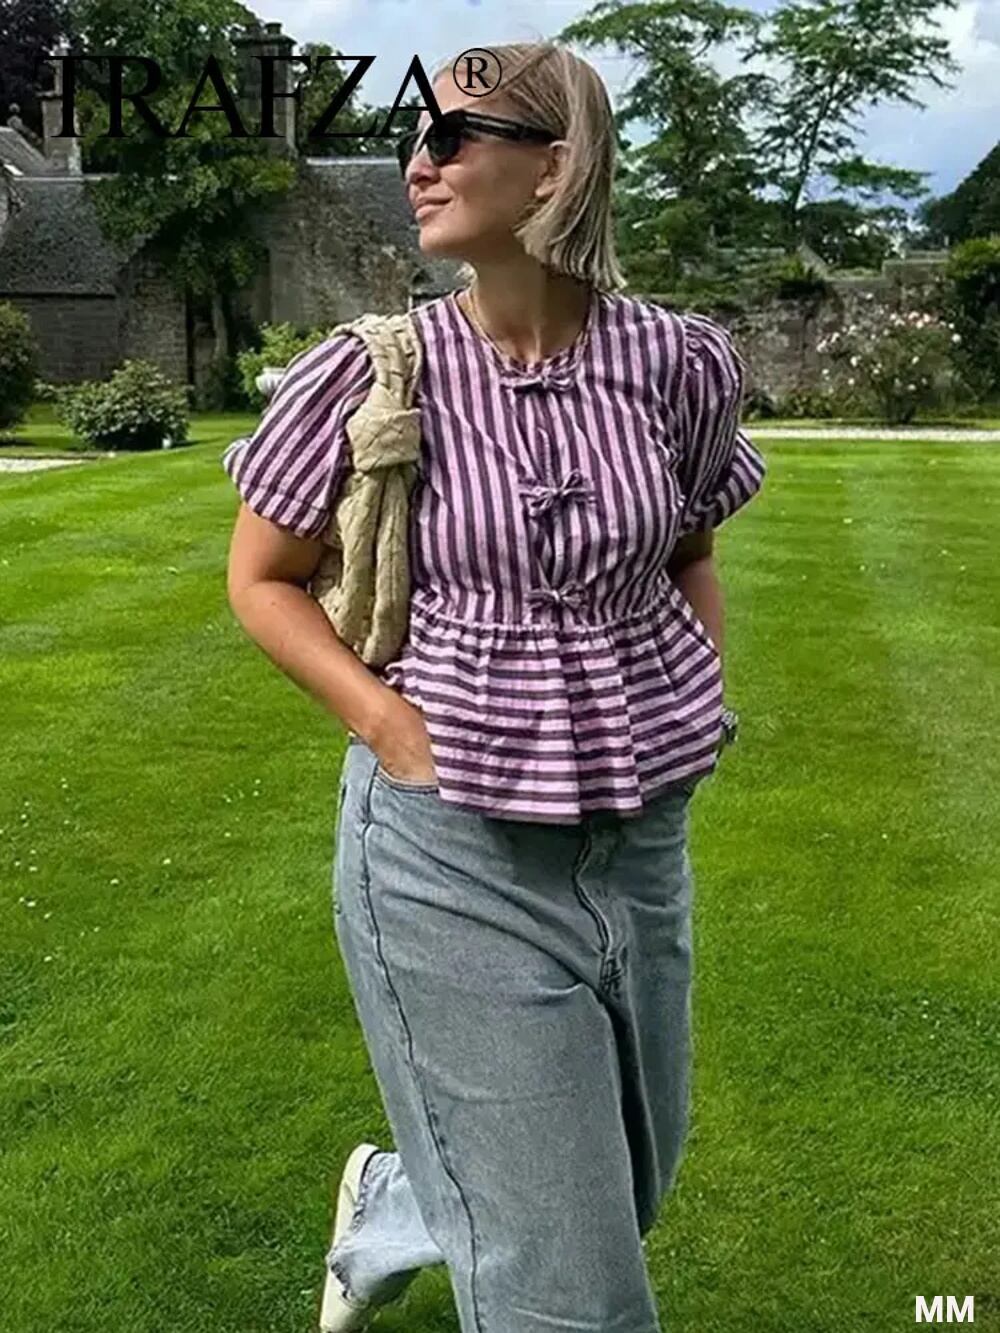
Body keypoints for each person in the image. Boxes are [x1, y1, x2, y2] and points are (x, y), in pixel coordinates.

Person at [222, 39, 766, 1333]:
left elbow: (690, 548)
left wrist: (693, 697)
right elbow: (261, 579)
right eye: (420, 137)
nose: (420, 163)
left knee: (621, 1185)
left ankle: (397, 1196)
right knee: (568, 1281)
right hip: (449, 849)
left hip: (640, 844)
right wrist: (390, 727)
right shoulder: (366, 374)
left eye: (455, 136)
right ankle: (445, 1202)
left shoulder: (679, 363)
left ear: (555, 168)